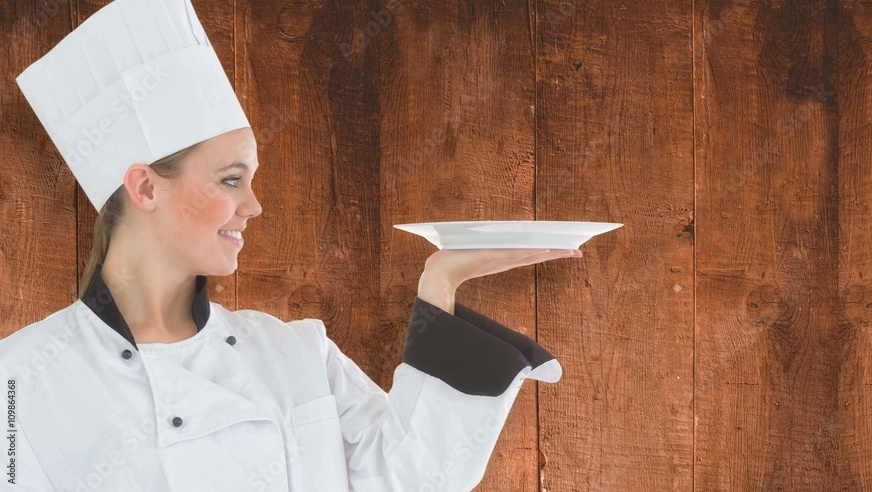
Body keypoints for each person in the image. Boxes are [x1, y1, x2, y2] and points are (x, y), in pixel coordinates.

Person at [1, 0, 577, 490]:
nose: (253, 206)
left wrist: (441, 282)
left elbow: (414, 477)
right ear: (146, 187)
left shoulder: (295, 354)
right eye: (231, 180)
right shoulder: (17, 383)